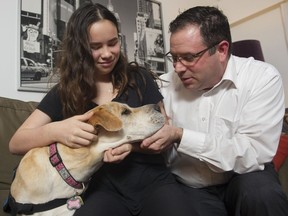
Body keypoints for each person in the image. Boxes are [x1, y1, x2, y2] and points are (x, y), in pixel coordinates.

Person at [8, 2, 193, 216]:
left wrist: (131, 147)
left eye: (113, 43)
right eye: (95, 47)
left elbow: (163, 131)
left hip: (154, 182)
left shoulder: (139, 78)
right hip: (102, 191)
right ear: (80, 47)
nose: (107, 53)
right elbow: (16, 143)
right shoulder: (65, 93)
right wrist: (58, 130)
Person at [140, 6, 288, 216]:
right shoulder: (162, 87)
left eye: (189, 57)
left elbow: (253, 154)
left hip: (244, 176)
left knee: (262, 194)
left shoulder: (261, 78)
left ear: (221, 50)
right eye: (174, 57)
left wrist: (180, 135)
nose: (178, 68)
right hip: (189, 186)